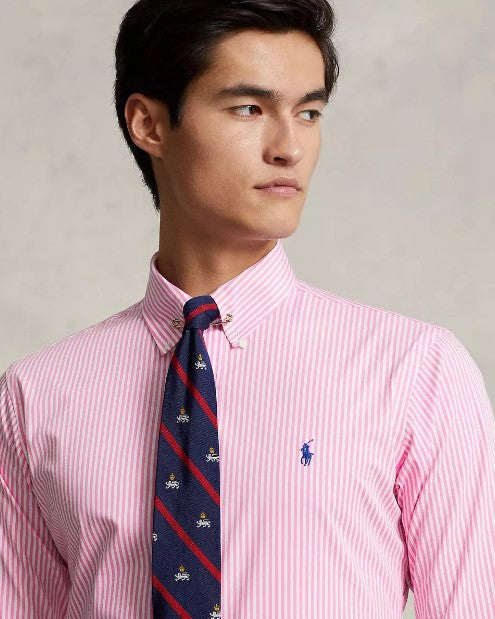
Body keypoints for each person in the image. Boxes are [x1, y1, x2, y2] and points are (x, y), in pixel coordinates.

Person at [1, 0, 495, 617]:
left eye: (308, 112)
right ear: (149, 125)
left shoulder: (415, 372)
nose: (290, 147)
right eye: (249, 108)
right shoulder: (36, 396)